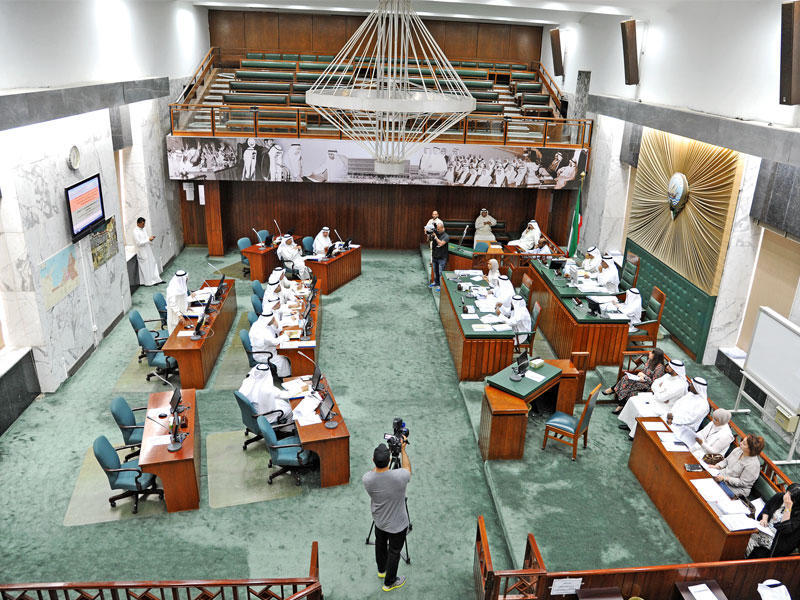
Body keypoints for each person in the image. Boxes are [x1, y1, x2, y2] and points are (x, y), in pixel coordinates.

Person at [362, 440, 411, 592]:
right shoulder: (400, 476)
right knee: (394, 552)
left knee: (381, 545)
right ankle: (389, 582)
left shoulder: (367, 479)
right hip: (398, 525)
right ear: (389, 460)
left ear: (373, 460)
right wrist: (403, 450)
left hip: (379, 522)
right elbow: (407, 469)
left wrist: (380, 463)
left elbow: (375, 471)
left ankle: (381, 570)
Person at [617, 359, 687, 436]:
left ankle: (635, 433)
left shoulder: (680, 385)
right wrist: (659, 390)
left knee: (643, 413)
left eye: (670, 367)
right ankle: (630, 425)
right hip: (655, 398)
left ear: (675, 370)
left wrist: (658, 389)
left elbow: (662, 397)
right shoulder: (667, 375)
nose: (667, 367)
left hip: (665, 406)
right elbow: (654, 384)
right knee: (633, 400)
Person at [605, 348, 666, 414]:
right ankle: (620, 403)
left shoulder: (660, 368)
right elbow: (644, 371)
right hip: (641, 379)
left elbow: (654, 383)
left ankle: (613, 391)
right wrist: (641, 375)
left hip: (648, 385)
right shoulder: (649, 361)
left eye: (652, 353)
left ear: (656, 356)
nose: (649, 353)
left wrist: (644, 376)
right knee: (626, 378)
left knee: (628, 383)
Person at [238, 364, 296, 433]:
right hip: (265, 416)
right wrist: (300, 390)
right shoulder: (267, 390)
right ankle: (286, 432)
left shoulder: (247, 382)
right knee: (290, 410)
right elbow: (284, 395)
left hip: (253, 413)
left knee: (281, 402)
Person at [748, 484, 800, 558]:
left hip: (777, 540)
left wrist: (788, 507)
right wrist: (764, 519)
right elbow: (767, 508)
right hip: (764, 529)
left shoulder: (797, 512)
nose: (787, 498)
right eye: (787, 494)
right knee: (743, 537)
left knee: (751, 545)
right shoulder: (779, 496)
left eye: (790, 497)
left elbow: (785, 529)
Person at [710, 433, 764, 497]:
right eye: (742, 441)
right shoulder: (738, 450)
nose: (740, 443)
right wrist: (716, 466)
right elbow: (726, 461)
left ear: (750, 449)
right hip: (722, 477)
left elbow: (742, 482)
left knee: (713, 490)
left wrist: (725, 478)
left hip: (735, 489)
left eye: (744, 444)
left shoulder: (753, 465)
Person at [667, 376, 710, 446]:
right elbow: (677, 404)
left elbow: (690, 419)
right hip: (673, 421)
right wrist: (670, 415)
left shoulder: (703, 404)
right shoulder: (690, 394)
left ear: (697, 387)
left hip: (686, 429)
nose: (690, 385)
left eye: (692, 384)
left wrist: (673, 420)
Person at [248, 310, 292, 377]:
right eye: (273, 318)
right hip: (264, 354)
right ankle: (285, 377)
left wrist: (276, 324)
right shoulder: (262, 331)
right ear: (269, 319)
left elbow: (275, 331)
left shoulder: (263, 323)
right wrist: (286, 336)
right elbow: (274, 342)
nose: (274, 319)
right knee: (283, 359)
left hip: (267, 348)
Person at [133, 217, 162, 286]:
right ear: (138, 223)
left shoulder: (144, 229)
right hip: (142, 251)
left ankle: (156, 279)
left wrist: (150, 240)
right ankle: (149, 282)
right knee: (146, 267)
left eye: (144, 224)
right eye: (142, 224)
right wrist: (148, 240)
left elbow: (146, 238)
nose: (144, 225)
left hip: (148, 249)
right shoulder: (135, 231)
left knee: (152, 263)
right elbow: (138, 243)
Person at [429, 221, 449, 291]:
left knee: (441, 273)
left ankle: (440, 286)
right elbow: (430, 240)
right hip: (435, 256)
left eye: (438, 229)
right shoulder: (436, 233)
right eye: (436, 229)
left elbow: (440, 244)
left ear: (442, 228)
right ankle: (436, 283)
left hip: (442, 258)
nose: (437, 230)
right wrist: (430, 235)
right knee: (435, 271)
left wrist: (435, 237)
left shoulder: (446, 236)